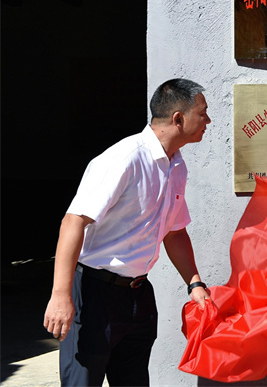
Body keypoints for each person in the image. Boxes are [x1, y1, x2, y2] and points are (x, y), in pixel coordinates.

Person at [43, 78, 213, 386]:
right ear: (178, 118)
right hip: (94, 294)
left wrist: (194, 283)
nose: (208, 120)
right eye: (203, 113)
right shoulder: (124, 159)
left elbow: (174, 233)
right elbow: (73, 222)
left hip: (138, 297)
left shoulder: (177, 166)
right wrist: (60, 295)